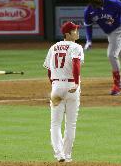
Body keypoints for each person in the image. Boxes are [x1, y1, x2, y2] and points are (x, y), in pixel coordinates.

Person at [43, 21, 84, 162]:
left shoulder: (53, 47)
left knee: (55, 123)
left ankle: (59, 154)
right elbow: (76, 65)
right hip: (72, 87)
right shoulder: (76, 47)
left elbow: (49, 71)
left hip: (56, 87)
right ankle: (67, 156)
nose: (77, 32)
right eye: (75, 30)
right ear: (67, 34)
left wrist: (54, 85)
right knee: (70, 124)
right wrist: (77, 82)